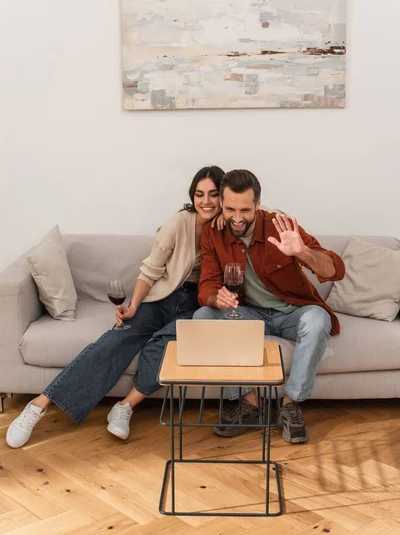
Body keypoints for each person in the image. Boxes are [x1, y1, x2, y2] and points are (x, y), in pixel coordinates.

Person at [6, 166, 225, 448]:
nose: (206, 201)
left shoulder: (231, 223)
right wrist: (133, 305)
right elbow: (150, 271)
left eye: (213, 194)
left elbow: (260, 210)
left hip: (196, 305)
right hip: (162, 297)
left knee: (169, 346)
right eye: (199, 194)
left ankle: (124, 407)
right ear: (192, 197)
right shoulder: (179, 224)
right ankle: (38, 404)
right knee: (117, 339)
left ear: (225, 196)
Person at [194, 169, 345, 444]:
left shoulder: (280, 225)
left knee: (318, 319)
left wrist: (303, 253)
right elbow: (206, 284)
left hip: (292, 312)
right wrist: (217, 298)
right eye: (229, 209)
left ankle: (290, 405)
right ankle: (251, 404)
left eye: (245, 210)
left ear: (258, 205)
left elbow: (336, 269)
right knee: (203, 316)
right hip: (249, 316)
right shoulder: (213, 234)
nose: (237, 218)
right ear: (221, 206)